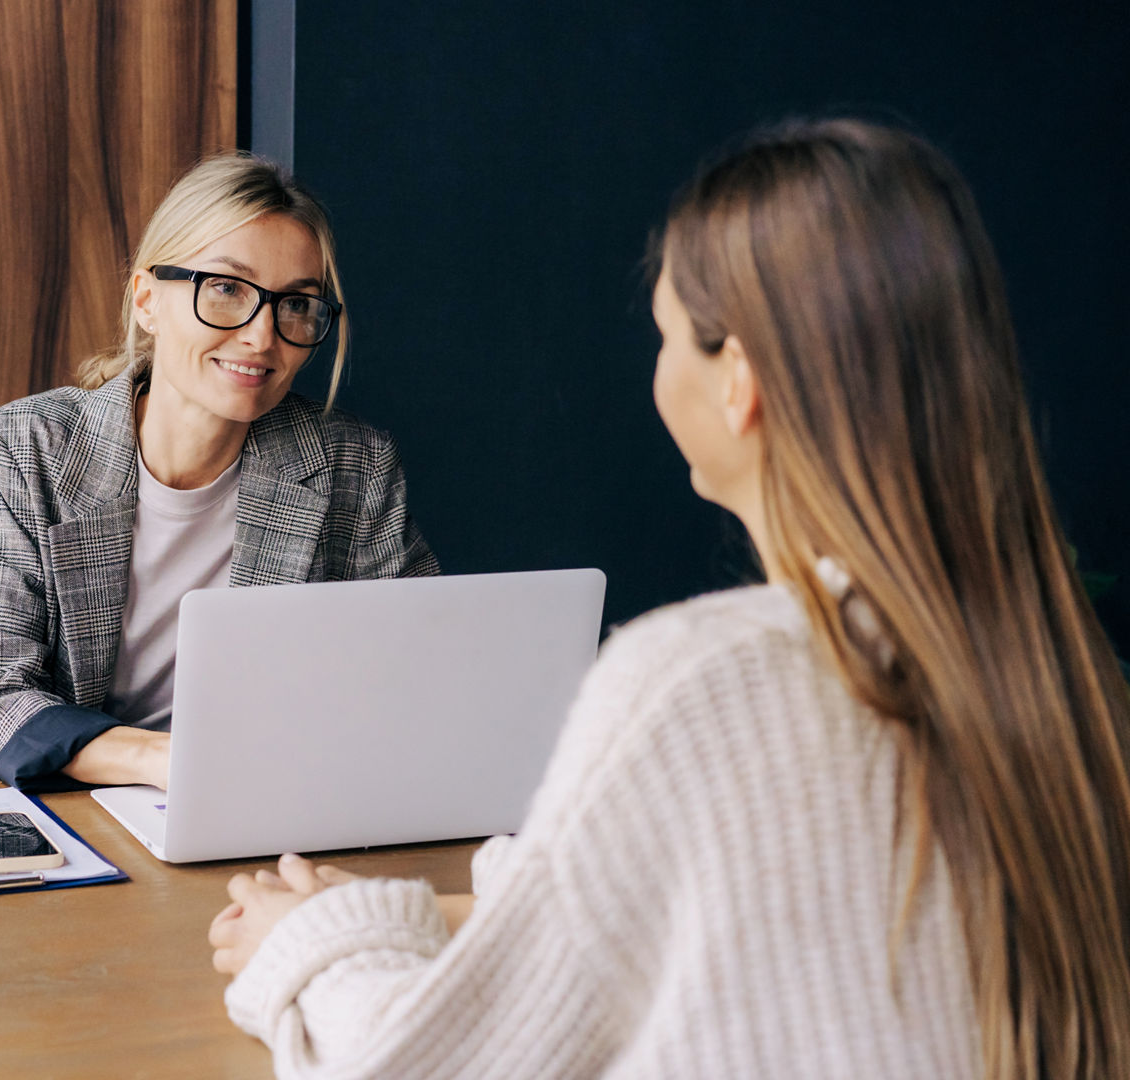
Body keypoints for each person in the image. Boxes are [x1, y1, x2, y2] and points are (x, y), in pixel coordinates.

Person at [207, 120, 1130, 1078]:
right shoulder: (1064, 679)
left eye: (664, 334)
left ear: (740, 382)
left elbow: (421, 1063)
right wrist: (416, 909)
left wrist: (310, 947)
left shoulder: (704, 680)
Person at [0, 154, 438, 791]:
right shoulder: (30, 447)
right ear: (147, 301)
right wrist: (162, 762)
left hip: (246, 805)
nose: (261, 336)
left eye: (296, 304)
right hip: (32, 799)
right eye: (226, 288)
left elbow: (412, 674)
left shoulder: (354, 465)